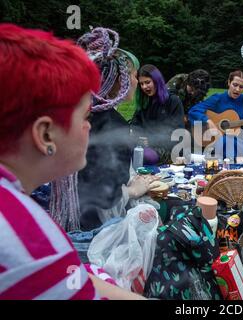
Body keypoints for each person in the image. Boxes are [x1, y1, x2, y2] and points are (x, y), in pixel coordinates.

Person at [0, 24, 144, 299]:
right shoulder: (31, 243)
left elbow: (73, 275)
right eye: (86, 117)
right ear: (45, 134)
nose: (90, 128)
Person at [72, 27, 159, 232]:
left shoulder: (83, 113)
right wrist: (134, 190)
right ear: (121, 80)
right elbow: (107, 203)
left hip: (73, 214)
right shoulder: (112, 125)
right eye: (135, 76)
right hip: (95, 228)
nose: (137, 82)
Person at [130, 64, 185, 164]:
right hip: (144, 145)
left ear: (157, 81)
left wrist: (152, 140)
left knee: (143, 155)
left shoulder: (173, 101)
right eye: (141, 84)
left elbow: (178, 134)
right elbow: (135, 124)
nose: (144, 87)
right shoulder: (144, 102)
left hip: (168, 149)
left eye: (147, 82)